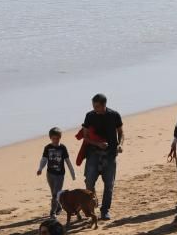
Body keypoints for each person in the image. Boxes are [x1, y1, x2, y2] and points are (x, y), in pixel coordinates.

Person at [81, 93, 123, 221]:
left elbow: (121, 132)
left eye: (97, 106)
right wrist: (98, 143)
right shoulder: (90, 116)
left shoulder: (114, 115)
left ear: (104, 105)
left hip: (110, 154)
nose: (95, 108)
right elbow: (85, 136)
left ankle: (105, 211)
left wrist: (119, 145)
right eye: (93, 106)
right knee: (89, 182)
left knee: (109, 184)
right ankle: (92, 204)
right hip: (93, 153)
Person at [37, 128, 75, 218]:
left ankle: (52, 212)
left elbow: (67, 161)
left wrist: (73, 173)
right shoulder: (47, 148)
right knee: (54, 193)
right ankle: (58, 207)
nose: (55, 140)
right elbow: (44, 159)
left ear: (60, 138)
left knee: (55, 193)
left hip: (60, 175)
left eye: (57, 138)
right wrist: (40, 168)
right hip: (50, 174)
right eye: (54, 138)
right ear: (50, 138)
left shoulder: (63, 148)